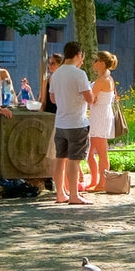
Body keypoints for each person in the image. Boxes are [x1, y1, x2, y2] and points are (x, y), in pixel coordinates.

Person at [47, 43, 94, 206]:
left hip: (60, 122)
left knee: (60, 159)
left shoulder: (56, 74)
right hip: (77, 122)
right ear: (79, 54)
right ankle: (74, 195)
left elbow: (52, 99)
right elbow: (90, 98)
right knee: (74, 161)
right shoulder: (79, 74)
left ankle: (60, 193)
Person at [85, 51, 121, 193]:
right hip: (100, 114)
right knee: (92, 151)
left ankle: (102, 183)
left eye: (96, 60)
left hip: (100, 115)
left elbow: (91, 99)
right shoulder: (108, 78)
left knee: (101, 151)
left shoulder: (102, 80)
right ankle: (95, 181)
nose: (93, 63)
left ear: (101, 63)